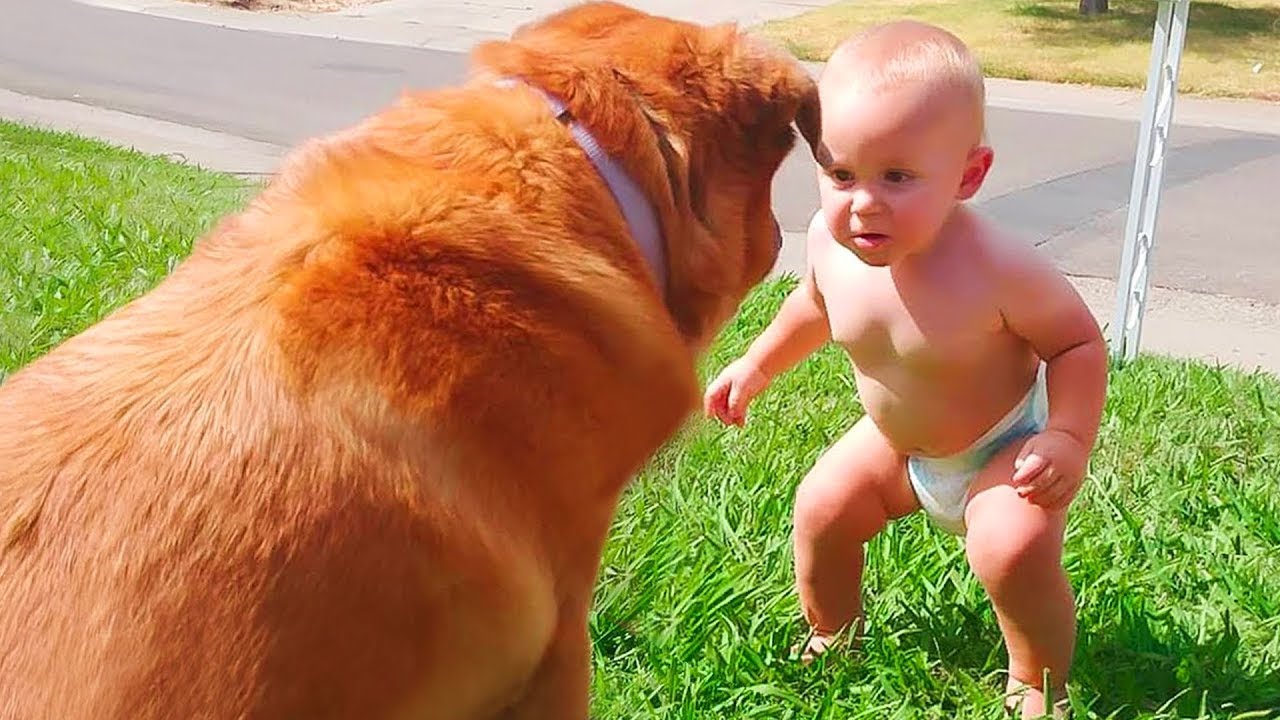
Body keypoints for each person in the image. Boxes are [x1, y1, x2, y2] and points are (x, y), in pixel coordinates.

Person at [702, 20, 1108, 718]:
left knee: (1011, 551)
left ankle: (1037, 679)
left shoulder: (999, 268)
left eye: (897, 176)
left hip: (1002, 447)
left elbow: (1077, 344)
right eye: (840, 173)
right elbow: (815, 307)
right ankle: (834, 634)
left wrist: (1067, 437)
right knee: (822, 508)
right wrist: (756, 365)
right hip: (896, 444)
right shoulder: (835, 250)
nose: (863, 202)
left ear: (968, 176)